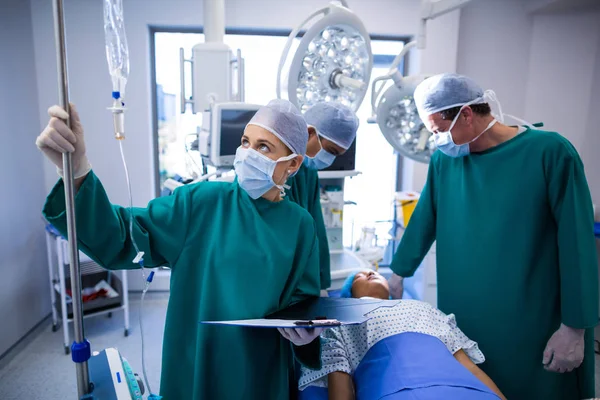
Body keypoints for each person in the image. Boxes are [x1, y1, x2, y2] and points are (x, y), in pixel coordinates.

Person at [36, 99, 323, 399]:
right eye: (245, 142)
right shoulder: (201, 202)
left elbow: (305, 304)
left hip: (260, 369)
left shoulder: (300, 226)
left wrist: (306, 339)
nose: (248, 154)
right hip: (196, 358)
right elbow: (124, 235)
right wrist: (77, 171)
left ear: (293, 163)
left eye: (264, 147)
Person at [388, 73, 599, 399]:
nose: (437, 140)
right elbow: (424, 219)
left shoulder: (550, 153)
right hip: (465, 321)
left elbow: (578, 245)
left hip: (531, 322)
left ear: (467, 115)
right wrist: (397, 274)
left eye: (439, 130)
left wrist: (574, 328)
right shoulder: (445, 160)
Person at [297, 270, 506, 400]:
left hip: (468, 391)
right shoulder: (340, 321)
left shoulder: (425, 308)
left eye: (375, 272)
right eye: (358, 276)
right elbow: (341, 385)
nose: (369, 273)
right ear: (349, 295)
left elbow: (469, 367)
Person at [286, 102, 359, 292]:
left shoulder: (308, 171)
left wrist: (320, 278)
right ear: (311, 133)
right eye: (331, 151)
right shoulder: (281, 168)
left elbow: (314, 226)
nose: (330, 159)